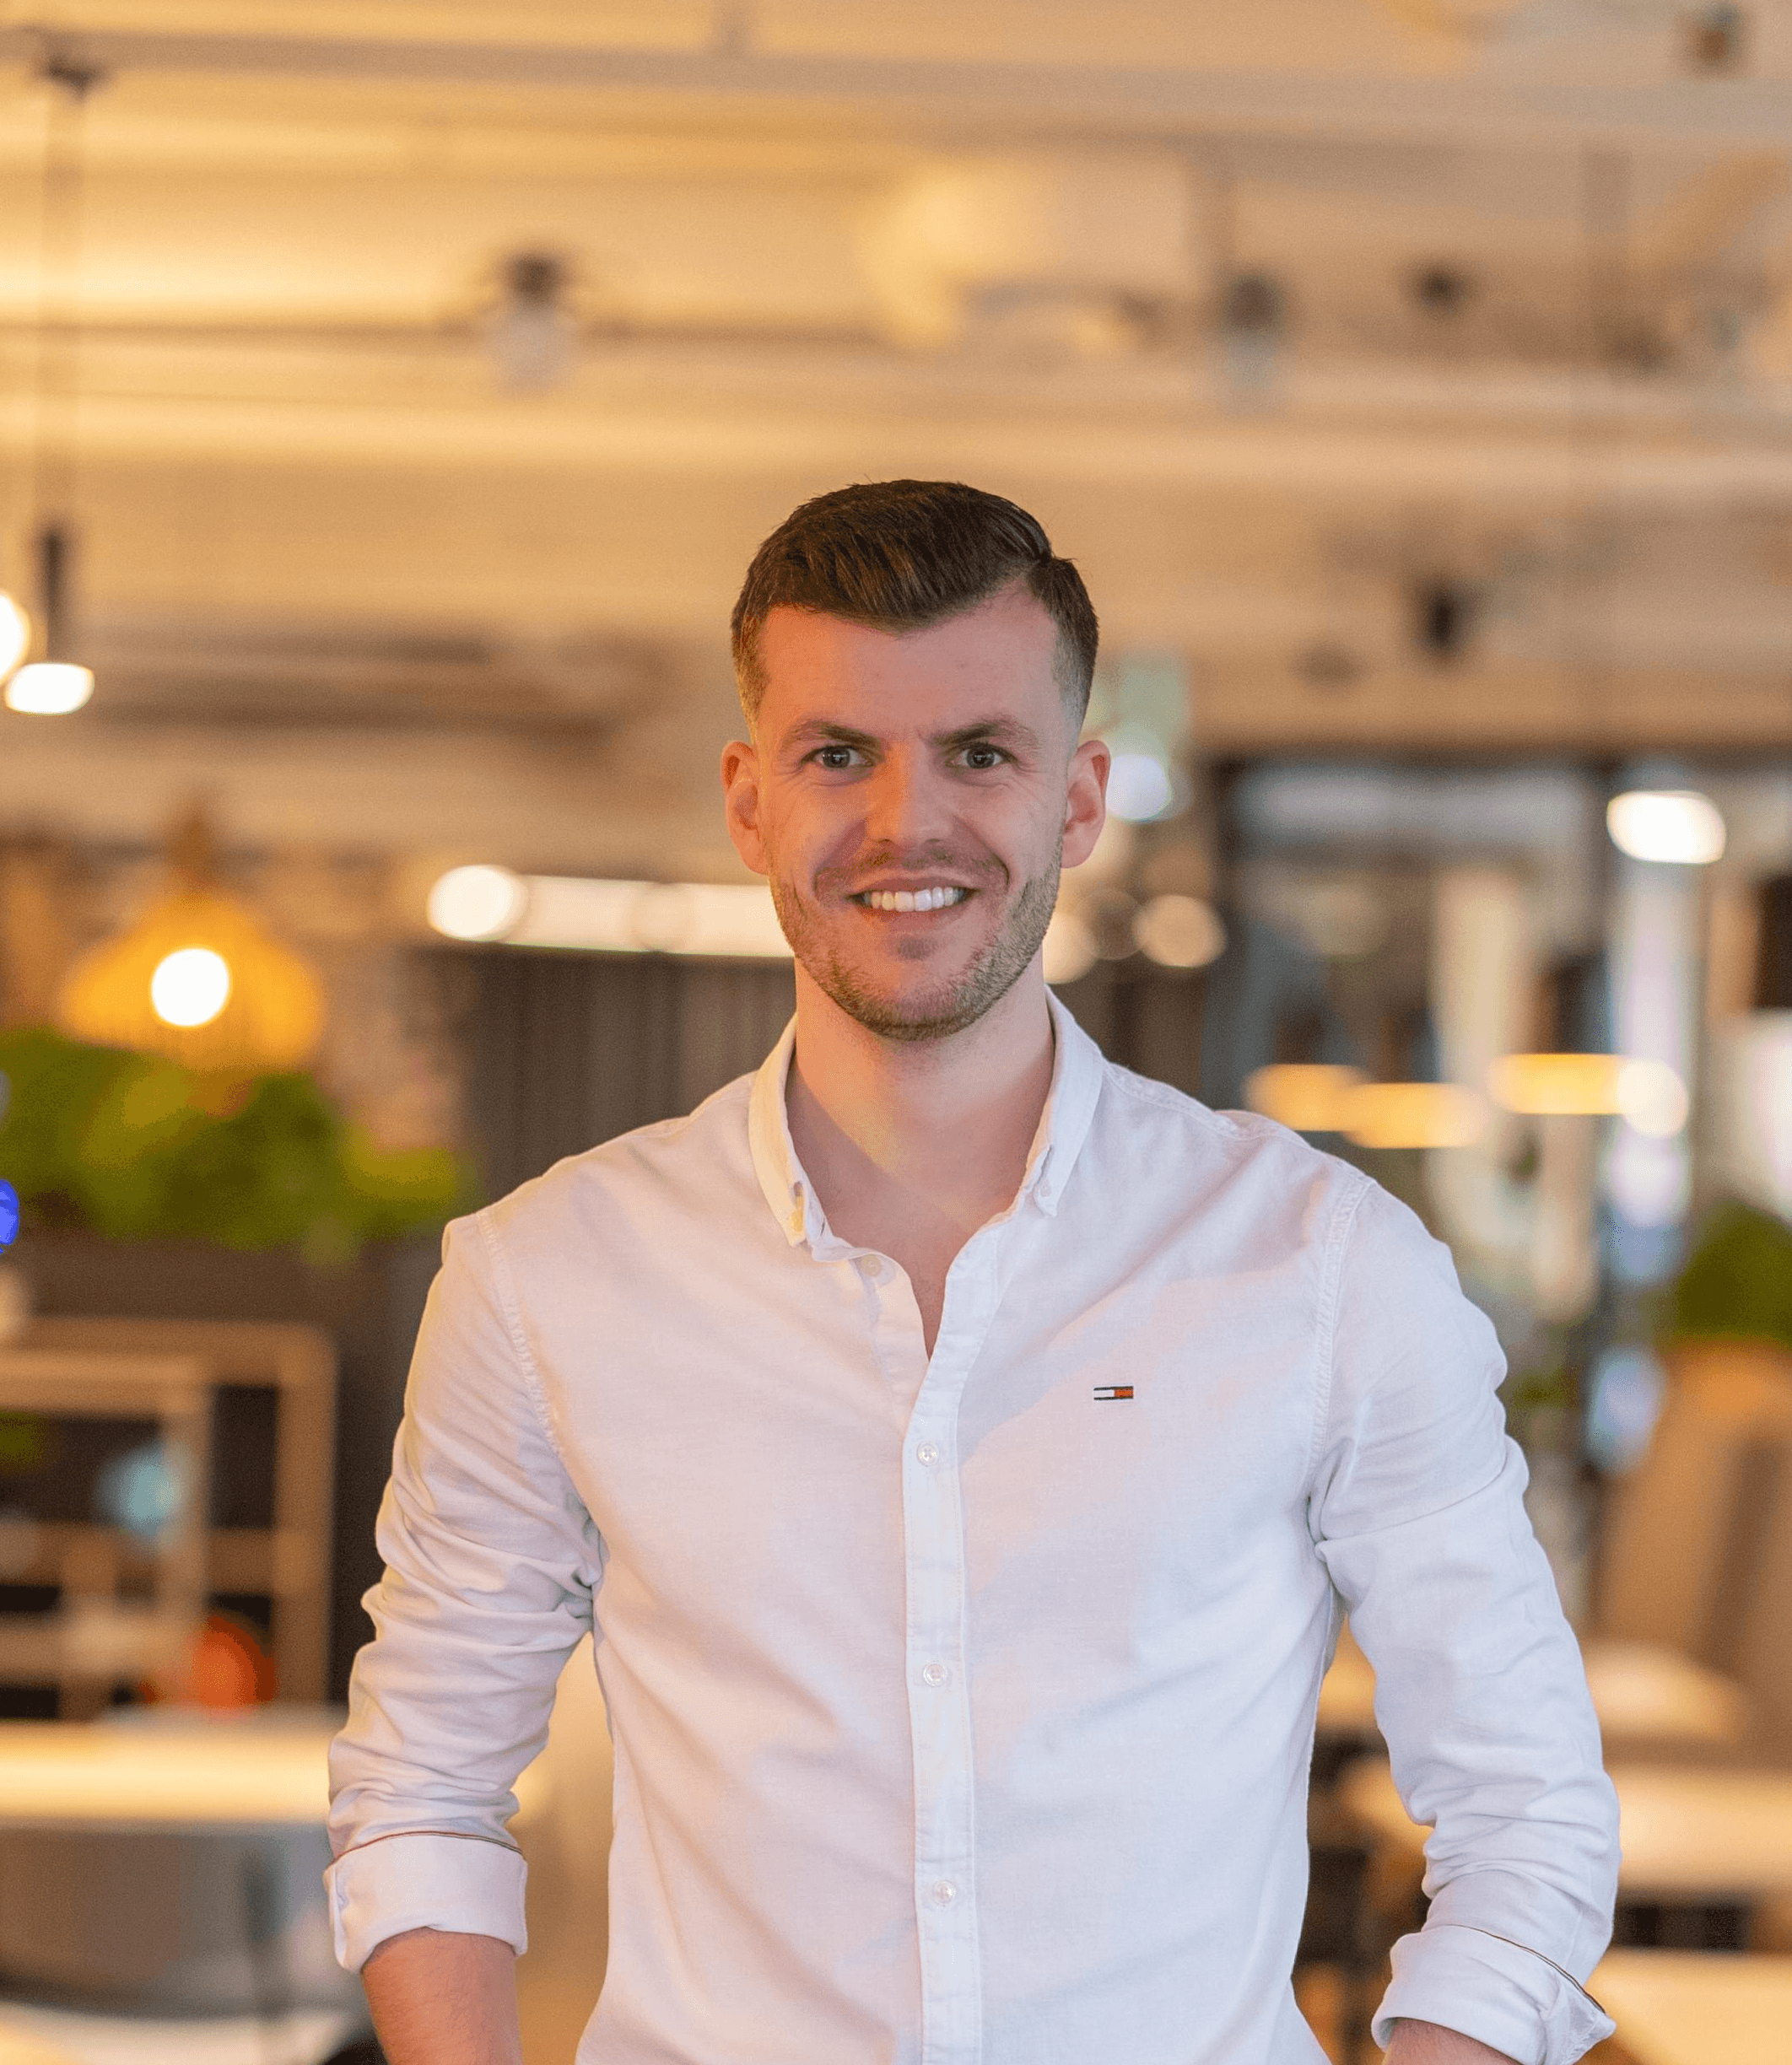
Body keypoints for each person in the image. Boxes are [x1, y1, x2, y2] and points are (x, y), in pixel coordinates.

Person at [327, 481, 1619, 2065]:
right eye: (837, 754)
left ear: (1078, 798)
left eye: (979, 754)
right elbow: (422, 1791)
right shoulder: (550, 1281)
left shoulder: (1323, 1266)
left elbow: (1529, 1812)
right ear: (748, 798)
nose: (904, 824)